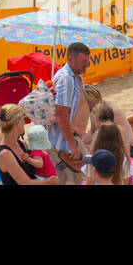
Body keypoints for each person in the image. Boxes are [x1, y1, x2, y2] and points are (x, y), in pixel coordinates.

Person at [48, 42, 90, 183]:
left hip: (66, 139)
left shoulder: (75, 77)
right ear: (71, 59)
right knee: (80, 178)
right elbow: (61, 115)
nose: (88, 64)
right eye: (84, 60)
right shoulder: (67, 79)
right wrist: (72, 145)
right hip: (60, 143)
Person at [0, 103, 56, 185]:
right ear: (17, 122)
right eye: (24, 118)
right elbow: (26, 183)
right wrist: (49, 182)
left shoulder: (22, 144)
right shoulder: (5, 154)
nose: (25, 122)